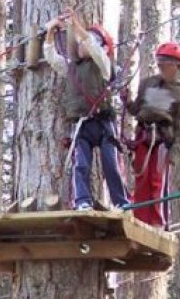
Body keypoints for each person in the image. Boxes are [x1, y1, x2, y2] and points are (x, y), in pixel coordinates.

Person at [43, 11, 131, 211]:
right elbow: (51, 56)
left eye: (87, 42)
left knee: (111, 165)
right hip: (81, 124)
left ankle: (121, 202)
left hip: (103, 122)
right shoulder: (72, 68)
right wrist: (50, 31)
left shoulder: (104, 65)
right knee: (80, 165)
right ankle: (82, 201)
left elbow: (91, 44)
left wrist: (74, 24)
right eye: (80, 43)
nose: (82, 45)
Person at [124, 41, 180, 228]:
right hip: (143, 136)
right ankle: (139, 219)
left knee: (156, 182)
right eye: (160, 62)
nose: (161, 66)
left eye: (166, 63)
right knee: (141, 179)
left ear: (177, 66)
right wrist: (127, 101)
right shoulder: (148, 84)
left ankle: (156, 223)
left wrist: (174, 155)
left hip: (161, 142)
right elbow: (136, 110)